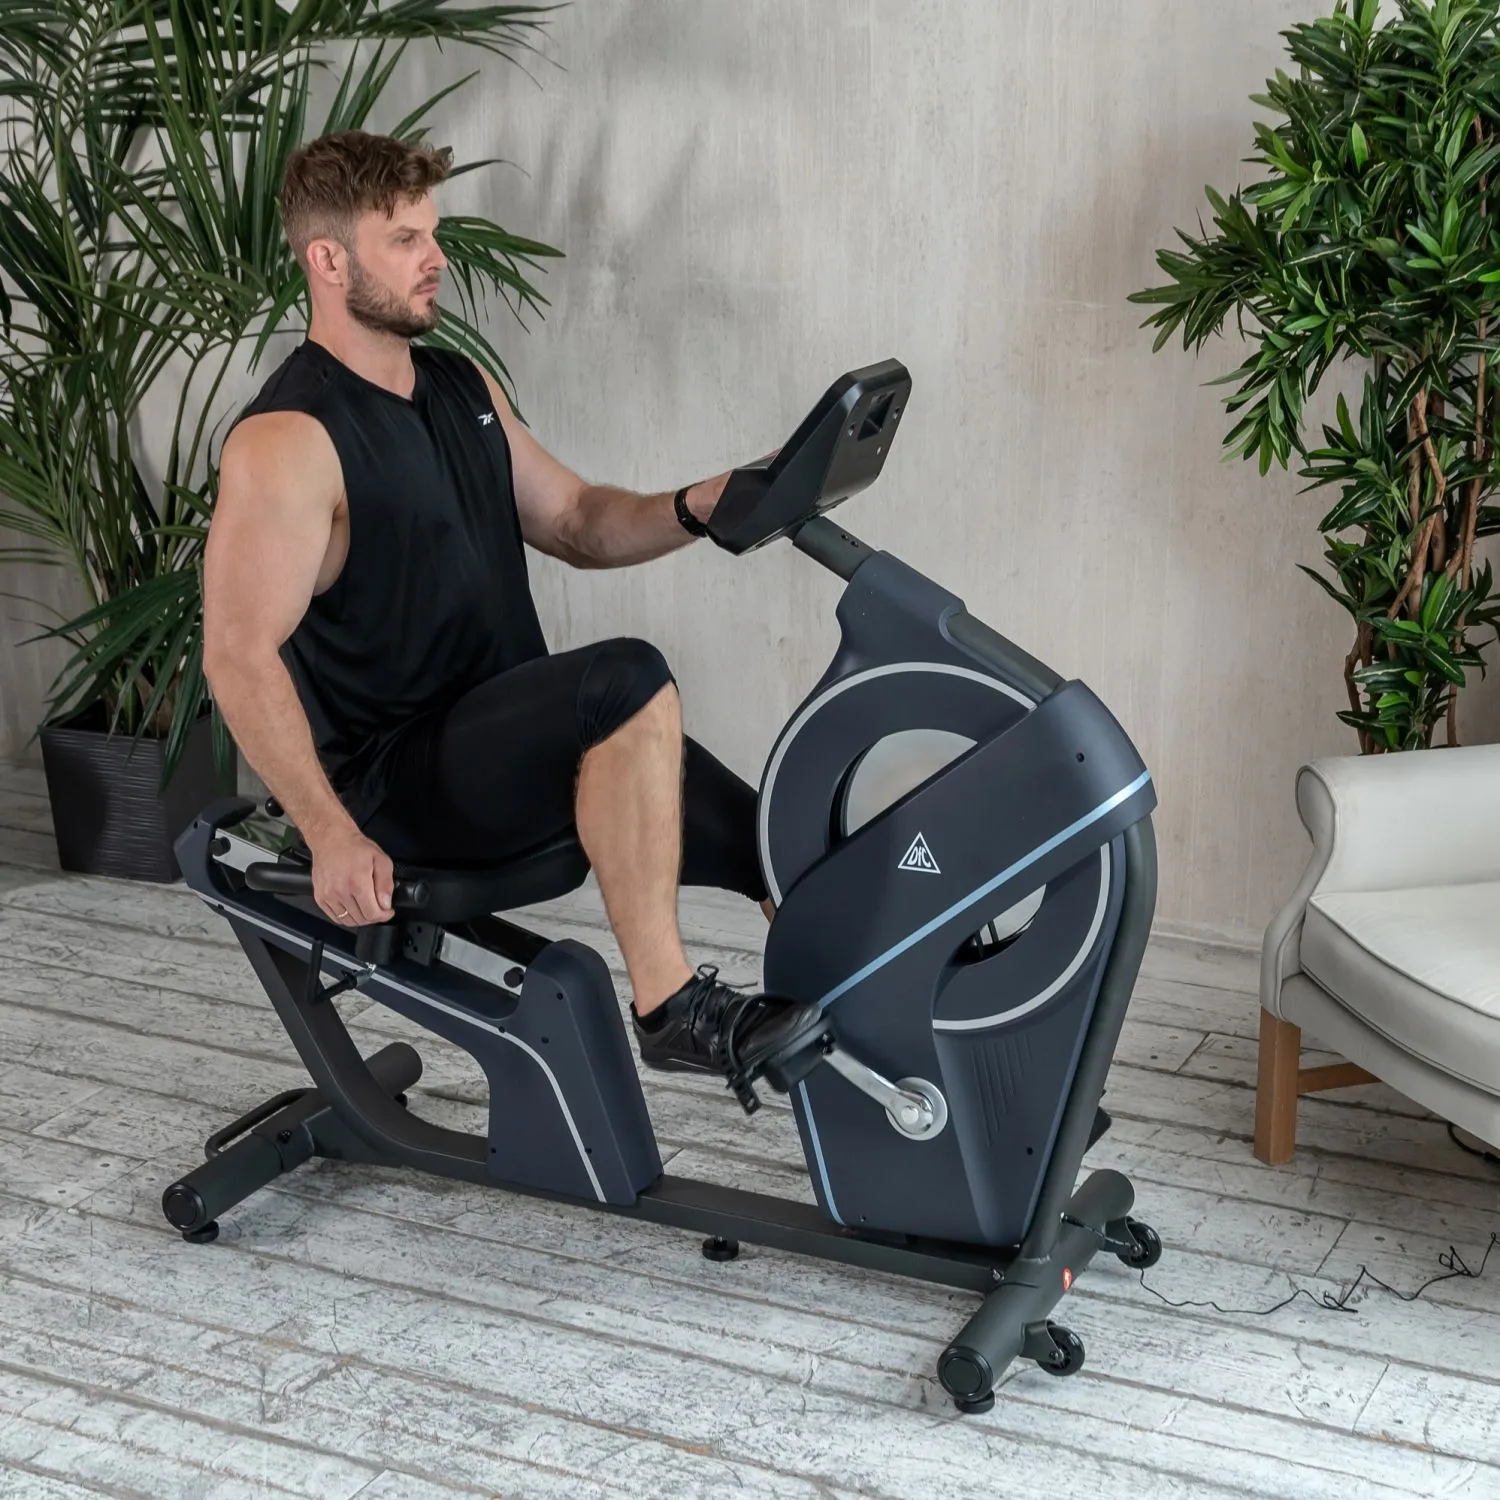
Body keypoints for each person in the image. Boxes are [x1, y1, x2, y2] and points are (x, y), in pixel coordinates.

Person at [202, 130, 824, 1086]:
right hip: (399, 785)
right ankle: (668, 1007)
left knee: (781, 847)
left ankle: (867, 1060)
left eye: (432, 234)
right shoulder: (288, 440)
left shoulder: (461, 386)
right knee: (623, 678)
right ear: (327, 260)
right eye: (404, 239)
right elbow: (238, 653)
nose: (436, 258)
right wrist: (329, 834)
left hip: (506, 745)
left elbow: (575, 519)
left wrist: (698, 506)